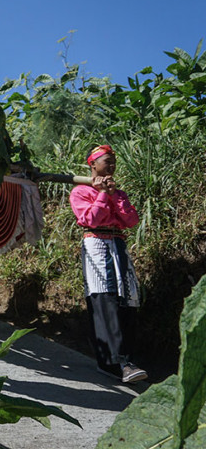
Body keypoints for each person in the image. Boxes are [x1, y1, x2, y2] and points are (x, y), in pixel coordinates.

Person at [69, 144, 147, 383]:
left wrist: (114, 196)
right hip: (96, 243)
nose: (111, 166)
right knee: (104, 298)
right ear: (92, 165)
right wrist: (103, 195)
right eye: (106, 161)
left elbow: (131, 220)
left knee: (128, 299)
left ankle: (124, 360)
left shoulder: (118, 192)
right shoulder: (80, 192)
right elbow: (90, 219)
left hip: (118, 244)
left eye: (113, 162)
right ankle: (117, 361)